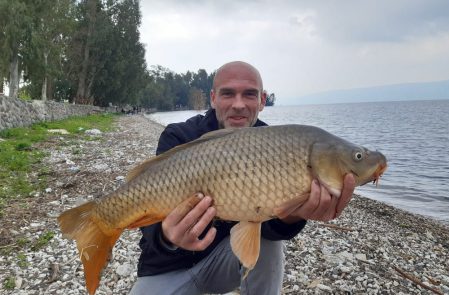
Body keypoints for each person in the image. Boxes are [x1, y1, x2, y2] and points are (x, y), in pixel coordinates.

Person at [130, 61, 355, 295]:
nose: (238, 105)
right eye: (228, 94)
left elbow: (271, 229)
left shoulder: (278, 144)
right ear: (213, 98)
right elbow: (148, 215)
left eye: (249, 94)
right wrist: (168, 236)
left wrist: (295, 213)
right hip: (170, 267)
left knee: (271, 246)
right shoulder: (179, 136)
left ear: (262, 100)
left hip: (225, 263)